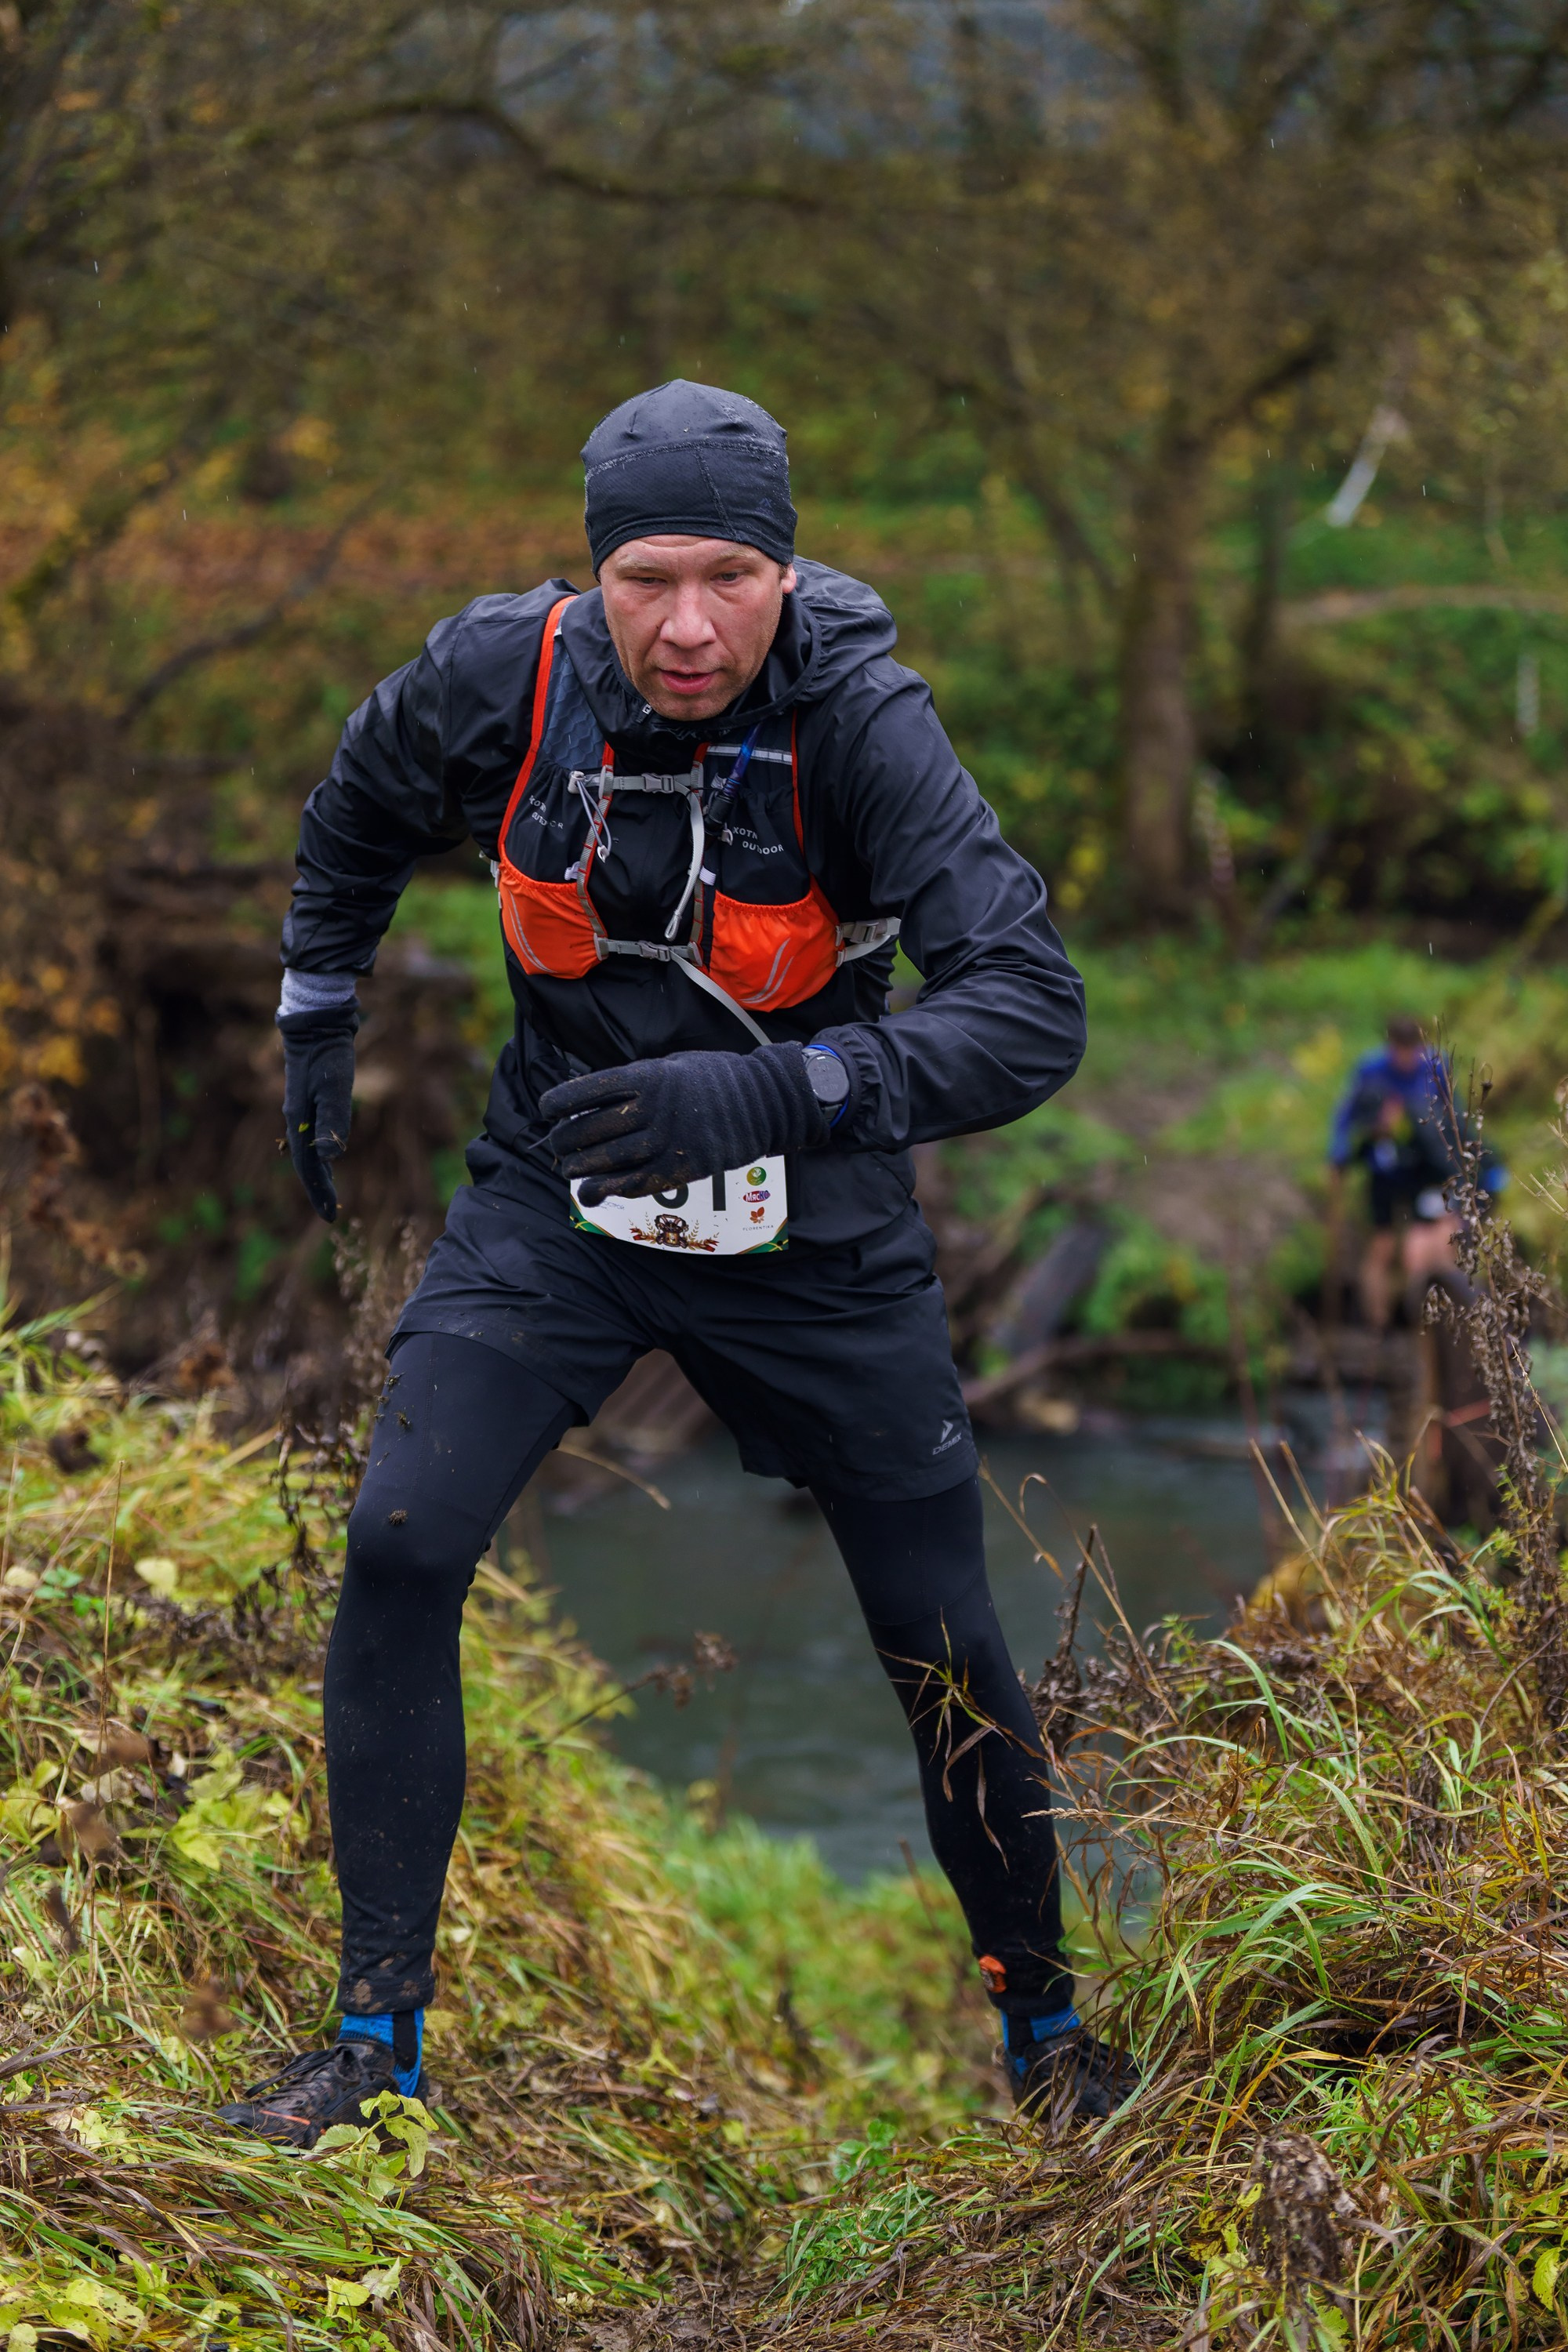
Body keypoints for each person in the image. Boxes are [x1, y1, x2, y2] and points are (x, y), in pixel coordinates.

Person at [220, 380, 1125, 2147]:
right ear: (593, 576)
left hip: (815, 1227)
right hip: (557, 1196)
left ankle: (1047, 2036)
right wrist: (315, 1008)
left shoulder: (862, 721)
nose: (689, 624)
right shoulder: (508, 677)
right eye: (647, 578)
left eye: (731, 574)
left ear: (787, 572)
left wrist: (785, 1087)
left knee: (938, 1638)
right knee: (400, 1541)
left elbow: (1034, 1015)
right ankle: (373, 2043)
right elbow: (351, 806)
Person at [1326, 1014, 1502, 1329]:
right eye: (1400, 1051)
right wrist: (1338, 1155)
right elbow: (1346, 1117)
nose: (1406, 1059)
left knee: (1438, 1237)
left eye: (1412, 1050)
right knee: (1382, 1244)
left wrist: (1475, 1164)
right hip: (1385, 1169)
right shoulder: (1371, 1070)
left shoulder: (1435, 1065)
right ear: (1390, 1046)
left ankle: (1440, 1320)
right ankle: (1376, 1324)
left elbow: (1454, 1119)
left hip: (1427, 1169)